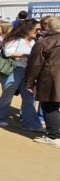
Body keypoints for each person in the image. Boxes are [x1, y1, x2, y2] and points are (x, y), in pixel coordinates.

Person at [0, 19, 42, 131]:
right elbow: (8, 52)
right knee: (7, 95)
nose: (38, 31)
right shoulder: (14, 39)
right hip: (13, 70)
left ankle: (31, 124)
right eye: (37, 29)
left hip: (27, 71)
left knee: (29, 98)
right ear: (28, 28)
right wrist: (27, 55)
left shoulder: (32, 41)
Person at [25, 17, 60, 148]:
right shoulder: (44, 42)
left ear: (48, 27)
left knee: (49, 106)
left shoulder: (43, 42)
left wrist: (29, 82)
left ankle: (53, 136)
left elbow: (35, 64)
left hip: (50, 79)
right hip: (53, 77)